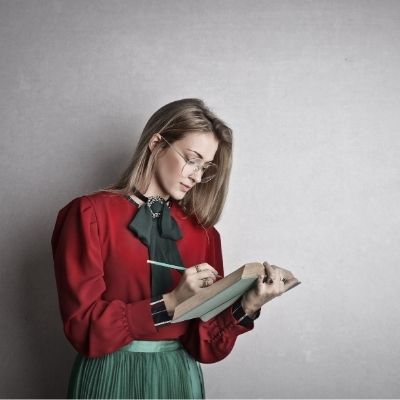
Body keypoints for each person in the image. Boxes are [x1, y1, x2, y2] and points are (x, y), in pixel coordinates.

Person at [51, 98, 296, 399]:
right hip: (110, 374)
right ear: (157, 143)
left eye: (205, 168)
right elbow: (83, 327)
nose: (196, 176)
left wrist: (248, 305)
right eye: (192, 159)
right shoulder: (89, 215)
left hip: (178, 376)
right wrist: (170, 302)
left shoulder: (205, 235)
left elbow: (203, 346)